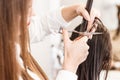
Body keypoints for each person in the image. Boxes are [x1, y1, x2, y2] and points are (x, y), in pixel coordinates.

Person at [0, 0, 99, 80]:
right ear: (6, 13)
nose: (33, 14)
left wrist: (76, 9)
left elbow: (42, 25)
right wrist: (70, 66)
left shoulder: (10, 37)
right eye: (28, 8)